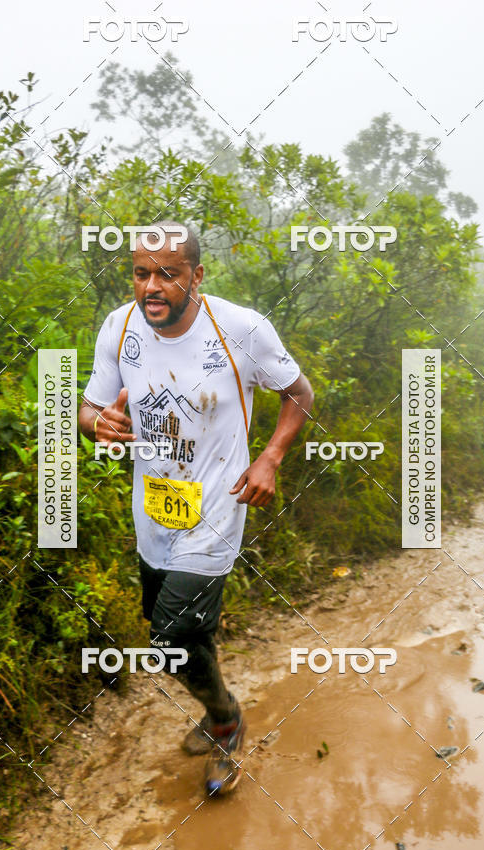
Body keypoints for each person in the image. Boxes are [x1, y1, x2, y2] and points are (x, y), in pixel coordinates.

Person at [79, 222, 314, 795]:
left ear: (196, 276)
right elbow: (88, 410)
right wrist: (98, 424)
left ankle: (227, 723)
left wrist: (269, 460)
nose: (151, 287)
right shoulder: (120, 326)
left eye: (167, 274)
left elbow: (298, 394)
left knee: (170, 632)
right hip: (153, 508)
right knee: (177, 632)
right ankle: (216, 712)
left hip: (217, 504)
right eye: (141, 273)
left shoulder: (240, 329)